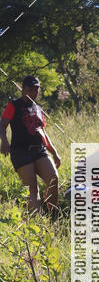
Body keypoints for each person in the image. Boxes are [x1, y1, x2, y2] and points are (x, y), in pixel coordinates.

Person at [0, 75, 61, 215]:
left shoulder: (38, 108)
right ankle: (38, 223)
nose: (34, 92)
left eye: (37, 89)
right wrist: (4, 141)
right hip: (20, 151)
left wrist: (54, 152)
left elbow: (43, 132)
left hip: (40, 150)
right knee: (32, 188)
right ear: (23, 89)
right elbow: (2, 125)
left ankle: (53, 215)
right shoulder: (13, 105)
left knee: (53, 179)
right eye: (31, 88)